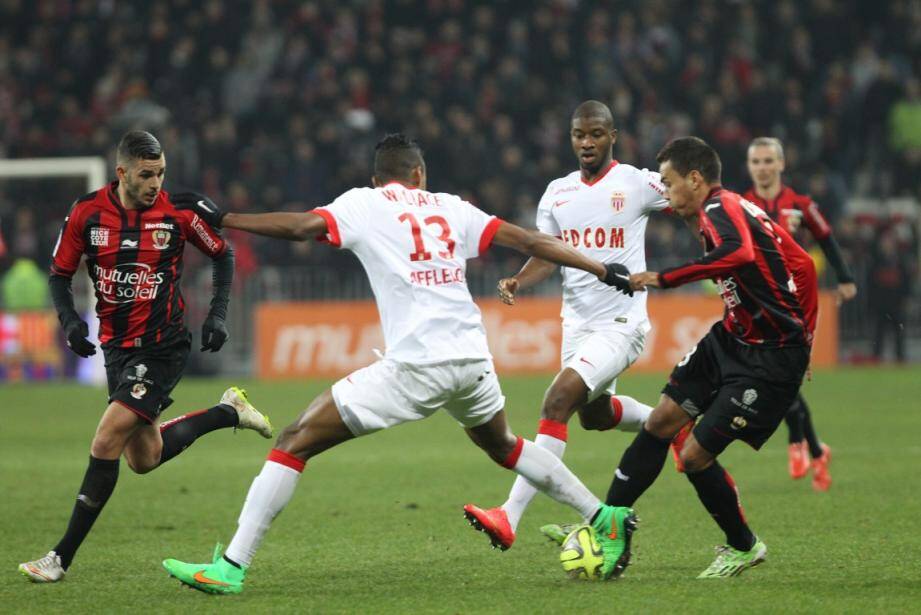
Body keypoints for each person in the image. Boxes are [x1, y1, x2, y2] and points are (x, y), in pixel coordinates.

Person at [161, 134, 640, 594]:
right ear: (419, 173)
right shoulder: (452, 206)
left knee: (293, 441)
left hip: (416, 366)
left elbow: (303, 228)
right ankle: (604, 516)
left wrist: (225, 218)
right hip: (472, 359)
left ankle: (230, 567)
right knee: (504, 445)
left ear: (377, 179)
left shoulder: (364, 204)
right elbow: (530, 241)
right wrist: (602, 269)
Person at [18, 131, 273, 584]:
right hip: (118, 348)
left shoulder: (176, 214)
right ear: (121, 173)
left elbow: (223, 253)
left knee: (105, 440)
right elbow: (59, 275)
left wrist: (216, 314)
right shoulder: (87, 213)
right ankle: (227, 411)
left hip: (162, 346)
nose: (156, 183)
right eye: (146, 174)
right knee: (144, 458)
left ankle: (59, 558)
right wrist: (71, 323)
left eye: (160, 174)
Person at [595, 137, 819, 578]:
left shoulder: (719, 209)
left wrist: (665, 278)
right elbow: (804, 267)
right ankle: (607, 526)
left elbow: (738, 254)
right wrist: (806, 329)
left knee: (693, 456)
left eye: (669, 182)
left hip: (770, 358)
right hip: (731, 338)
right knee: (661, 421)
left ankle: (743, 546)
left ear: (695, 180)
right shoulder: (730, 207)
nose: (665, 191)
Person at [462, 100, 669, 550]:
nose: (587, 142)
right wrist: (519, 279)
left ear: (612, 135)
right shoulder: (557, 192)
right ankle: (667, 422)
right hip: (576, 321)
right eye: (579, 135)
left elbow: (690, 197)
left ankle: (509, 515)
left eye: (596, 134)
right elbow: (548, 252)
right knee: (594, 415)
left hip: (622, 320)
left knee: (557, 400)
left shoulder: (636, 183)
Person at [743, 136, 854, 490]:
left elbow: (826, 238)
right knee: (777, 376)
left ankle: (799, 445)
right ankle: (816, 449)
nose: (762, 167)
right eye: (756, 161)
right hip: (760, 303)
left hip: (795, 303)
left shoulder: (800, 205)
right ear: (749, 167)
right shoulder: (740, 204)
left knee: (783, 374)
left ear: (781, 164)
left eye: (767, 161)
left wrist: (846, 278)